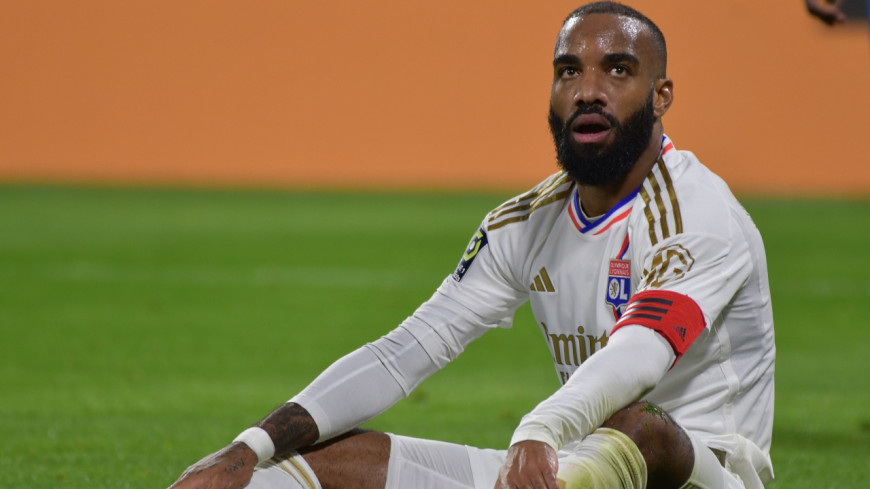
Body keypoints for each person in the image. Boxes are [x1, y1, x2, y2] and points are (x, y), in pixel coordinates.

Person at [167, 2, 775, 489]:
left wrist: (539, 427)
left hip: (698, 472)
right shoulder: (524, 222)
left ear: (661, 95)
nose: (588, 90)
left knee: (644, 427)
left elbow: (642, 351)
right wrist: (250, 446)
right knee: (314, 464)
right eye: (569, 71)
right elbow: (405, 352)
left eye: (617, 70)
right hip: (563, 466)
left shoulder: (697, 211)